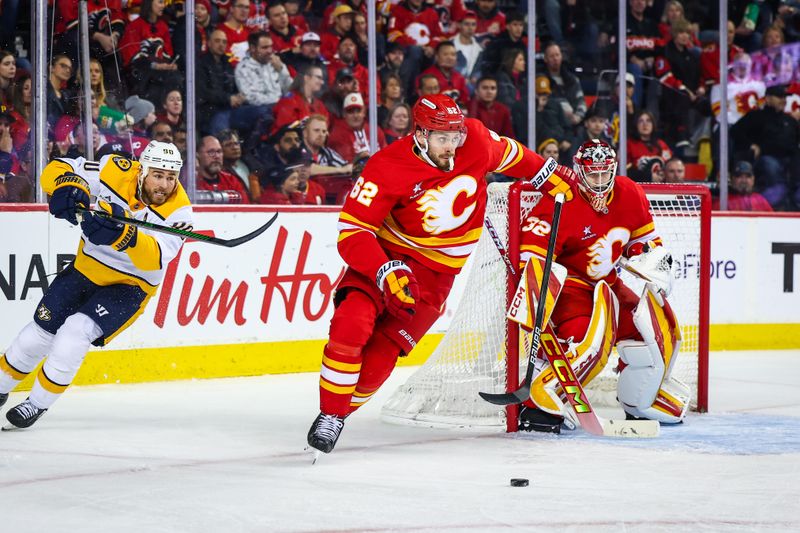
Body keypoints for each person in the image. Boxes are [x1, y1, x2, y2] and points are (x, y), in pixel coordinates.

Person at [306, 93, 575, 455]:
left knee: (382, 357)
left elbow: (513, 153)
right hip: (388, 257)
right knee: (350, 325)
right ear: (420, 135)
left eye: (456, 137)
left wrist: (549, 173)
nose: (452, 147)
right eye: (442, 138)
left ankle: (341, 412)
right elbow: (352, 232)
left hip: (435, 278)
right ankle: (330, 414)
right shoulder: (386, 166)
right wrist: (384, 268)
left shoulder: (476, 140)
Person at [0, 140, 191, 428]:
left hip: (130, 286)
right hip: (85, 270)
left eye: (171, 177)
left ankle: (36, 404)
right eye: (158, 175)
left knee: (74, 334)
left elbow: (155, 259)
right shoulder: (116, 169)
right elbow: (60, 167)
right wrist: (66, 185)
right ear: (142, 170)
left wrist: (124, 236)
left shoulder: (180, 213)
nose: (164, 185)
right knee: (36, 335)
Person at [516, 139, 688, 433]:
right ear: (579, 171)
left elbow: (643, 244)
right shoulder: (558, 200)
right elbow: (532, 263)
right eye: (592, 174)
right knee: (588, 345)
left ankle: (639, 401)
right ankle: (538, 402)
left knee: (655, 336)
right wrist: (537, 308)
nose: (599, 181)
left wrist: (654, 265)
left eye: (604, 174)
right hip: (571, 290)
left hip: (609, 284)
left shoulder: (629, 193)